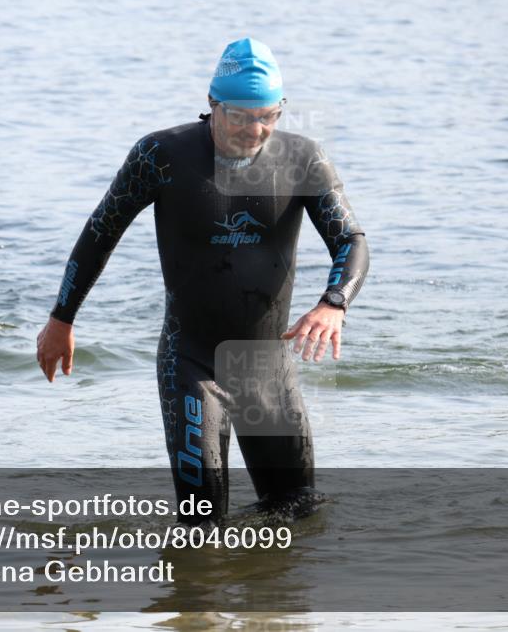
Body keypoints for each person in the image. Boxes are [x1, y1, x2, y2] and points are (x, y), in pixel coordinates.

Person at [36, 38, 369, 523]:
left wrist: (334, 302)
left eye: (267, 116)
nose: (254, 130)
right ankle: (197, 599)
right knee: (201, 525)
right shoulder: (161, 155)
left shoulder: (303, 159)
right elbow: (100, 232)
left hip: (267, 369)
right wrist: (62, 319)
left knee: (298, 513)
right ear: (212, 104)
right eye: (238, 115)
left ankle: (271, 598)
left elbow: (351, 240)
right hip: (193, 364)